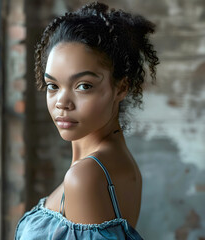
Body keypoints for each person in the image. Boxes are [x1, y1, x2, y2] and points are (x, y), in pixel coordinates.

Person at [15, 1, 159, 239]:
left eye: (84, 86)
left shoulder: (87, 176)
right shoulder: (115, 161)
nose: (62, 102)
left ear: (121, 87)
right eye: (53, 86)